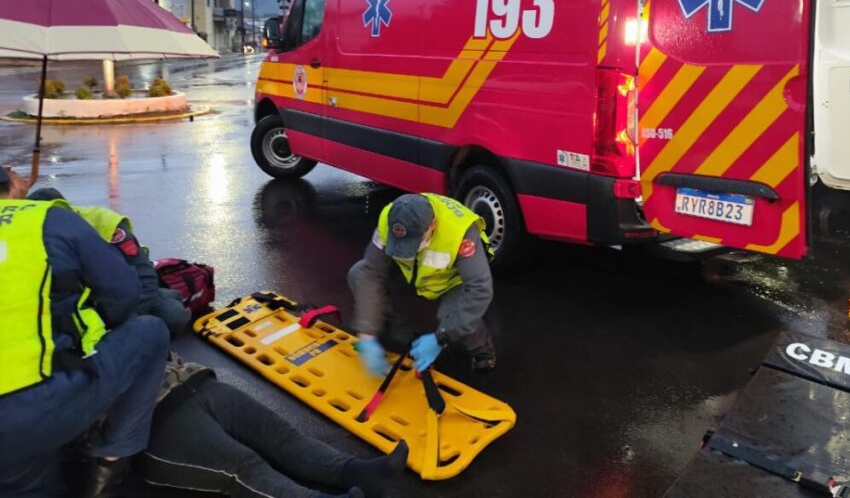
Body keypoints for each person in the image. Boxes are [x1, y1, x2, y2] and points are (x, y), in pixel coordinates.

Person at [0, 166, 169, 497]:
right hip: (35, 407)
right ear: (11, 182)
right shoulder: (49, 219)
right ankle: (109, 463)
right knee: (151, 331)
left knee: (25, 477)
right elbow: (124, 296)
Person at [142, 352, 407, 498]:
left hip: (189, 380)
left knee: (282, 436)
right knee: (243, 466)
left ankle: (358, 473)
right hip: (152, 414)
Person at [348, 192, 496, 376]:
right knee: (358, 274)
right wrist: (367, 334)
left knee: (456, 314)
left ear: (432, 225)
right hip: (413, 273)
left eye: (412, 242)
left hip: (451, 280)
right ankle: (403, 333)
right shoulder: (389, 219)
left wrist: (441, 337)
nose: (406, 248)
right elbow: (371, 272)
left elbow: (479, 288)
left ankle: (482, 351)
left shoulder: (460, 232)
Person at [27, 187, 192, 334]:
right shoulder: (27, 233)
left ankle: (166, 296)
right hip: (75, 303)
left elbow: (143, 279)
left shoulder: (102, 223)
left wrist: (118, 324)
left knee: (172, 316)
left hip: (120, 296)